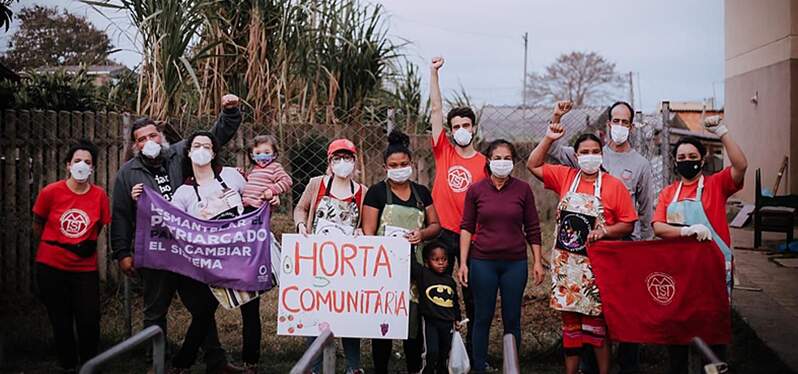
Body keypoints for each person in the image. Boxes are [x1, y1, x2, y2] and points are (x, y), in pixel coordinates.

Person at [110, 94, 244, 374]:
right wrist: (122, 253)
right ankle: (154, 362)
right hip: (156, 251)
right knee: (154, 310)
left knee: (202, 306)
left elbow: (212, 137)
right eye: (141, 139)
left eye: (152, 136)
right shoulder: (128, 174)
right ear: (135, 145)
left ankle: (215, 362)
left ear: (160, 137)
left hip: (186, 250)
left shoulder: (178, 156)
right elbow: (120, 215)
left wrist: (230, 113)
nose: (149, 142)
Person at [527, 107, 638, 374]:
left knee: (597, 326)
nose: (590, 156)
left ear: (601, 155)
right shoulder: (566, 176)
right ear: (576, 157)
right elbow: (533, 164)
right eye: (584, 152)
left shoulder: (613, 185)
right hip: (567, 267)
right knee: (571, 327)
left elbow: (628, 222)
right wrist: (549, 138)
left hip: (597, 268)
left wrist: (606, 232)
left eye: (594, 152)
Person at [652, 116, 747, 374]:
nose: (686, 161)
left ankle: (714, 368)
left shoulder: (716, 185)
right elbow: (658, 226)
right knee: (678, 328)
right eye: (681, 157)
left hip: (712, 269)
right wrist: (686, 231)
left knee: (712, 327)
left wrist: (723, 133)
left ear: (702, 160)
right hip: (679, 271)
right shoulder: (668, 193)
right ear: (674, 162)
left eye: (691, 156)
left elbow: (741, 166)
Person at [457, 139, 544, 373]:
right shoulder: (475, 190)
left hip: (514, 263)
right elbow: (467, 227)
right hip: (482, 262)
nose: (502, 162)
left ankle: (511, 366)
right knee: (482, 317)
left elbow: (533, 227)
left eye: (507, 158)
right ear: (488, 160)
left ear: (514, 162)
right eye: (497, 158)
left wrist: (537, 260)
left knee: (512, 318)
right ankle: (478, 367)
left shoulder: (523, 189)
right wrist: (463, 263)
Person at [362, 130, 441, 374]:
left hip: (414, 269)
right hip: (384, 268)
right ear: (385, 167)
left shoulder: (421, 193)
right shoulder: (376, 193)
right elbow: (368, 232)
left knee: (412, 325)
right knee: (383, 326)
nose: (399, 168)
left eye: (404, 164)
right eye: (393, 165)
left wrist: (422, 234)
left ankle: (414, 368)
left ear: (412, 164)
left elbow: (436, 225)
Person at [32, 140, 110, 373]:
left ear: (93, 168)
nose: (82, 166)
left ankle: (89, 365)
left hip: (84, 268)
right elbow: (38, 223)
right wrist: (57, 244)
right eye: (77, 161)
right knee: (61, 319)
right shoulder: (51, 192)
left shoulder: (99, 195)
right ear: (68, 165)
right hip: (51, 266)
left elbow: (100, 226)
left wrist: (85, 242)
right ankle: (67, 365)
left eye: (87, 162)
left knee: (89, 318)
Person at [294, 138, 368, 374]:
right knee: (315, 314)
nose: (343, 162)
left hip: (347, 264)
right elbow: (301, 208)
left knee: (349, 315)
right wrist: (300, 226)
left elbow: (365, 225)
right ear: (330, 162)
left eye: (347, 158)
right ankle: (314, 367)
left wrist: (361, 231)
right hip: (317, 260)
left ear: (354, 161)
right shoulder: (317, 184)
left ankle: (353, 366)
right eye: (338, 158)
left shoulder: (362, 192)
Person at [428, 56, 485, 359]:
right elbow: (436, 110)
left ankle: (475, 355)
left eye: (466, 124)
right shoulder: (444, 152)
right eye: (456, 126)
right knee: (439, 293)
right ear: (450, 130)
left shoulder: (486, 164)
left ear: (474, 128)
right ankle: (440, 353)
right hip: (441, 232)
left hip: (472, 239)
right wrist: (434, 74)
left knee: (473, 298)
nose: (461, 129)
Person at [231, 134, 292, 373]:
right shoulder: (254, 170)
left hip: (257, 214)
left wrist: (272, 191)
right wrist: (241, 174)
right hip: (243, 214)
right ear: (252, 155)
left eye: (267, 152)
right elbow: (248, 184)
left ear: (274, 153)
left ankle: (251, 361)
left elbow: (287, 181)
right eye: (258, 153)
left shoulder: (275, 169)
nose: (262, 156)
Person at [412, 241, 462, 374]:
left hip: (447, 323)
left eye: (444, 259)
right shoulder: (424, 274)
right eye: (436, 259)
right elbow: (412, 265)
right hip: (430, 322)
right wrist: (410, 246)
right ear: (427, 262)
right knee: (431, 352)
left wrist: (457, 318)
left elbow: (454, 302)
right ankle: (426, 371)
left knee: (444, 353)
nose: (441, 263)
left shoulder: (450, 281)